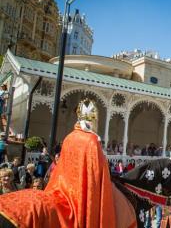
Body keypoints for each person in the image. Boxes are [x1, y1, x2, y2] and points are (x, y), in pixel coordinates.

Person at [0, 98, 137, 228]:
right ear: (95, 118)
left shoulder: (69, 137)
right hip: (79, 194)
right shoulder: (91, 141)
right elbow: (96, 173)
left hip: (63, 188)